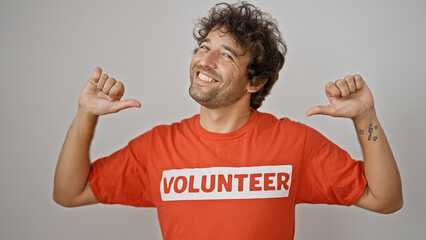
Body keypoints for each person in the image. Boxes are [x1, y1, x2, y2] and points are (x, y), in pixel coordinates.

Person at [53, 2, 402, 239]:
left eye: (227, 54)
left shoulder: (294, 143)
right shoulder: (156, 147)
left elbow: (385, 200)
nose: (205, 60)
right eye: (204, 47)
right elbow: (70, 193)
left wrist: (365, 118)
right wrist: (86, 114)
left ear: (256, 81)